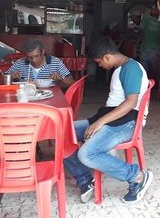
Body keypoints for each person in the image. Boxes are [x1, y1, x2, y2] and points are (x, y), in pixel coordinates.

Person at [64, 36, 153, 204]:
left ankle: (137, 177)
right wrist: (100, 120)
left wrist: (100, 122)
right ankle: (84, 179)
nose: (100, 65)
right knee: (63, 132)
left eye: (99, 62)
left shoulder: (131, 68)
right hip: (114, 118)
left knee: (87, 153)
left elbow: (130, 103)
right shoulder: (121, 68)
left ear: (107, 57)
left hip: (127, 122)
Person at [5, 39, 74, 88]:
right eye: (29, 57)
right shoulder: (20, 63)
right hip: (27, 98)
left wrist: (60, 78)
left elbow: (71, 82)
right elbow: (2, 79)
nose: (34, 60)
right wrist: (11, 76)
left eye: (36, 56)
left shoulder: (56, 62)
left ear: (42, 52)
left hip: (50, 98)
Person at [138, 5, 160, 81]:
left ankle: (144, 87)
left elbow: (141, 33)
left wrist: (137, 45)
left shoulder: (145, 20)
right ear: (158, 15)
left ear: (150, 14)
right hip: (155, 50)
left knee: (143, 71)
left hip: (145, 49)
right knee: (156, 70)